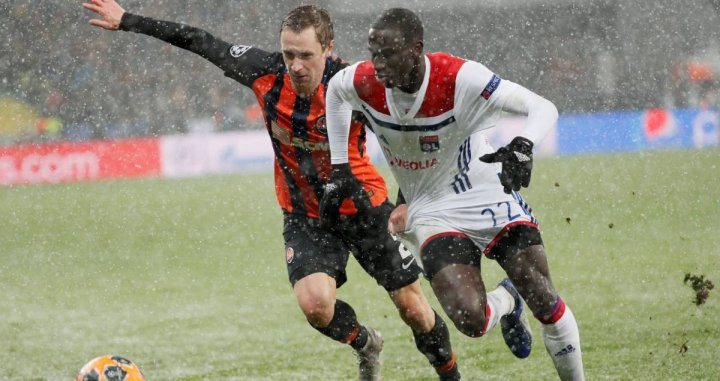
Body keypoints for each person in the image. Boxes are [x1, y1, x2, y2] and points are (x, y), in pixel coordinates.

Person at [83, 1, 461, 380]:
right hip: (306, 214)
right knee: (316, 306)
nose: (295, 65)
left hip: (363, 206)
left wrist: (406, 198)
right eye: (289, 53)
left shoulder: (356, 84)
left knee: (414, 310)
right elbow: (200, 41)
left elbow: (408, 140)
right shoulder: (263, 71)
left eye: (306, 55)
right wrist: (129, 20)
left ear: (329, 49)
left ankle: (450, 375)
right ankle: (366, 343)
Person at [322, 7, 585, 380]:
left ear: (417, 49)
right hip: (431, 209)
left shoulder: (460, 76)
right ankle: (508, 300)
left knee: (543, 296)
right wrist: (339, 168)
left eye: (388, 53)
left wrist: (524, 144)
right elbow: (335, 92)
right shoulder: (364, 80)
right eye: (373, 52)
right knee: (469, 319)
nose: (377, 64)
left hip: (483, 191)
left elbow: (543, 107)